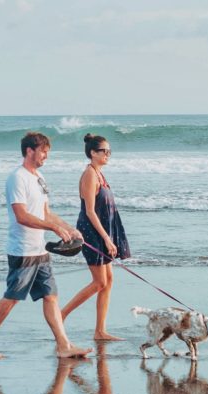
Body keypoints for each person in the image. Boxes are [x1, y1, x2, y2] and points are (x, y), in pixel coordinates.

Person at [0, 132, 92, 359]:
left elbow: (46, 213)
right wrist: (53, 229)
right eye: (43, 151)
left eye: (47, 152)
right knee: (12, 297)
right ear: (30, 151)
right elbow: (21, 215)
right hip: (23, 250)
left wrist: (68, 228)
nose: (46, 156)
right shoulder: (17, 178)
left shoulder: (39, 178)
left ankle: (63, 346)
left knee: (51, 296)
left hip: (40, 249)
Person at [61, 133, 131, 341]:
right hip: (92, 232)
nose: (108, 154)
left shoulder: (99, 174)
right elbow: (90, 211)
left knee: (108, 280)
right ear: (92, 153)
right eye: (104, 151)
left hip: (102, 231)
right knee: (99, 282)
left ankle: (100, 331)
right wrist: (107, 239)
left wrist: (110, 236)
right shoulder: (90, 174)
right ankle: (60, 315)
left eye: (110, 151)